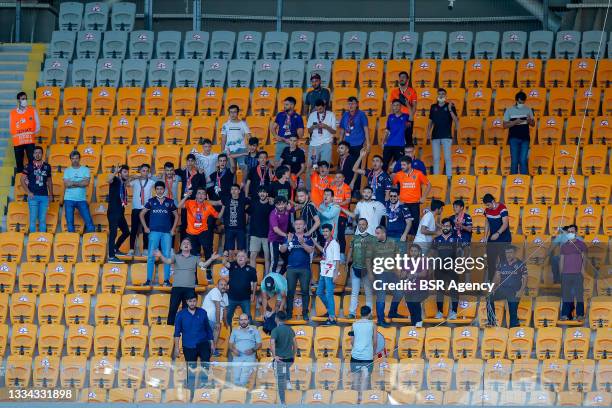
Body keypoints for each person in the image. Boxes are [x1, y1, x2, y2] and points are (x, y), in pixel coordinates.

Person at [157, 238, 219, 325]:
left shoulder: (195, 258)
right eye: (184, 243)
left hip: (189, 289)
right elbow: (167, 261)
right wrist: (160, 255)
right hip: (176, 288)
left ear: (190, 247)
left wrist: (211, 259)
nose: (186, 244)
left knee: (187, 311)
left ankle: (186, 329)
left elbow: (203, 266)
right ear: (181, 247)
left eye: (188, 243)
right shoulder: (176, 256)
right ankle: (169, 328)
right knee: (172, 309)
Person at [140, 181, 179, 286]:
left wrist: (173, 229)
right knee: (151, 256)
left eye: (161, 189)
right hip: (154, 232)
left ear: (164, 190)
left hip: (167, 233)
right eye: (157, 189)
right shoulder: (151, 201)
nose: (159, 191)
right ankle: (148, 280)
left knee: (166, 256)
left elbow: (177, 215)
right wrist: (145, 227)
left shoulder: (170, 202)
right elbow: (141, 214)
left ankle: (166, 280)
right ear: (155, 190)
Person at [173, 294, 214, 388]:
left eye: (194, 301)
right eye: (190, 301)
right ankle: (191, 390)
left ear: (197, 301)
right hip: (188, 346)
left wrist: (212, 343)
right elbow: (176, 333)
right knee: (191, 369)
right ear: (187, 302)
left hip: (203, 344)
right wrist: (176, 348)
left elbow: (208, 329)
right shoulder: (180, 314)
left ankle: (203, 388)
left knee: (205, 367)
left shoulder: (203, 312)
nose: (192, 303)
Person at [365, 225, 402, 327]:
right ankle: (380, 320)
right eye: (375, 233)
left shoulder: (392, 242)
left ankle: (392, 312)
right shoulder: (372, 244)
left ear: (384, 233)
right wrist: (370, 273)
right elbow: (368, 260)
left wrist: (398, 268)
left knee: (399, 293)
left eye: (378, 233)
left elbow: (398, 256)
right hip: (379, 273)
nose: (376, 235)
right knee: (381, 296)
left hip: (392, 272)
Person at [281, 219, 315, 321]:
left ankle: (305, 313)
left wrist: (303, 243)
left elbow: (310, 250)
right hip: (291, 268)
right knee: (290, 292)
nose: (298, 225)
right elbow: (282, 250)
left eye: (300, 224)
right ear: (294, 226)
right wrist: (287, 240)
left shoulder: (308, 237)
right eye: (296, 224)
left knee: (305, 291)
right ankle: (289, 313)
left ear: (304, 226)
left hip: (304, 269)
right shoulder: (290, 236)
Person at [488, 245, 526, 327]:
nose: (508, 255)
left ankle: (514, 328)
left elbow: (525, 279)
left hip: (514, 291)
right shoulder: (502, 264)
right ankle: (491, 322)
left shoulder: (521, 264)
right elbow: (496, 276)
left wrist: (520, 291)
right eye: (507, 253)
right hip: (503, 289)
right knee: (489, 297)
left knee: (512, 312)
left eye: (511, 252)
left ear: (515, 253)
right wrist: (492, 288)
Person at [393, 156, 431, 237]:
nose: (401, 167)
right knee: (403, 225)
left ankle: (414, 245)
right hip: (403, 204)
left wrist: (423, 197)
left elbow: (429, 185)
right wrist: (398, 195)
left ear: (409, 165)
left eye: (403, 165)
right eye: (401, 165)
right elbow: (394, 185)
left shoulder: (418, 173)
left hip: (414, 203)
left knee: (414, 225)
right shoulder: (399, 174)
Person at [346, 218, 377, 319]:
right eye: (359, 224)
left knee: (368, 292)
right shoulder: (354, 238)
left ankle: (370, 313)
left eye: (363, 224)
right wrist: (347, 263)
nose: (361, 226)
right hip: (355, 267)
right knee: (354, 292)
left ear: (367, 226)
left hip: (367, 269)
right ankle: (352, 313)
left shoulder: (373, 238)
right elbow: (350, 251)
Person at [180, 188, 220, 260]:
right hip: (191, 233)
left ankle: (208, 270)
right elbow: (179, 206)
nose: (201, 195)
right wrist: (186, 196)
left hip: (203, 232)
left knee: (208, 250)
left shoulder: (208, 206)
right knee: (193, 254)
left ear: (205, 197)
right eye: (199, 193)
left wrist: (223, 207)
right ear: (196, 195)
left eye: (203, 194)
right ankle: (194, 271)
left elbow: (218, 216)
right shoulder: (190, 202)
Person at [427, 88, 459, 177]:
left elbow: (456, 120)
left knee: (447, 158)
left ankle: (449, 177)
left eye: (443, 94)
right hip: (435, 135)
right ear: (437, 95)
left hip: (446, 136)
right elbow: (430, 121)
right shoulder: (433, 107)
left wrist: (450, 109)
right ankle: (436, 177)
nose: (441, 95)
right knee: (436, 158)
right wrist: (428, 132)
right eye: (439, 94)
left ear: (446, 96)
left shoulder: (450, 106)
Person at [432, 218, 460, 319]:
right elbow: (433, 254)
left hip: (452, 269)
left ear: (451, 227)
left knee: (454, 290)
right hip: (439, 269)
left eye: (447, 226)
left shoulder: (456, 239)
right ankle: (440, 312)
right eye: (444, 226)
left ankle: (454, 312)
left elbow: (465, 250)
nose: (445, 228)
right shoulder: (436, 239)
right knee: (440, 291)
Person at [21, 145, 52, 233]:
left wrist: (51, 194)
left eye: (39, 153)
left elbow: (49, 181)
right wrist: (28, 192)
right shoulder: (28, 166)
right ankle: (32, 240)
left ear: (42, 154)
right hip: (33, 197)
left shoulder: (47, 166)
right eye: (36, 153)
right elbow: (22, 180)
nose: (37, 154)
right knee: (33, 219)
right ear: (33, 154)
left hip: (44, 197)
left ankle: (42, 239)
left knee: (42, 220)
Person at [314, 224, 341, 325]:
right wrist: (315, 243)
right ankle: (330, 312)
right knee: (319, 292)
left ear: (331, 232)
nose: (324, 233)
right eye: (323, 231)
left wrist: (335, 274)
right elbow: (324, 251)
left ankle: (332, 317)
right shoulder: (327, 243)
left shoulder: (335, 244)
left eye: (326, 231)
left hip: (330, 273)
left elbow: (337, 260)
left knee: (329, 295)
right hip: (323, 271)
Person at [503, 91, 535, 175]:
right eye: (521, 100)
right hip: (514, 138)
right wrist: (515, 122)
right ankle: (513, 180)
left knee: (523, 160)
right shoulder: (509, 110)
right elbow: (505, 125)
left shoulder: (528, 109)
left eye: (524, 100)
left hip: (525, 138)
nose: (523, 102)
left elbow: (533, 124)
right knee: (514, 160)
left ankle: (524, 180)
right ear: (517, 100)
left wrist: (529, 121)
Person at [63, 150, 94, 233]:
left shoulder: (85, 170)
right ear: (70, 159)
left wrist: (72, 182)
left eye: (76, 158)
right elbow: (66, 184)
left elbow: (86, 183)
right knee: (70, 222)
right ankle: (72, 239)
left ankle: (91, 239)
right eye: (73, 158)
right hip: (69, 199)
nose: (75, 160)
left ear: (80, 159)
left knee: (89, 221)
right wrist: (80, 183)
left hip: (81, 199)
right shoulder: (67, 171)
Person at [559, 228, 587, 321]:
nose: (570, 233)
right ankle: (565, 314)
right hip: (566, 274)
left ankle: (580, 314)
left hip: (577, 274)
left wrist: (583, 273)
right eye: (569, 232)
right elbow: (562, 260)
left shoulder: (581, 245)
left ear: (576, 233)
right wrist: (561, 273)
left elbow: (584, 260)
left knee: (579, 295)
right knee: (566, 295)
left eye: (572, 232)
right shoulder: (564, 246)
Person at [224, 250, 258, 324]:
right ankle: (227, 333)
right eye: (238, 256)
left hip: (245, 299)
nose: (240, 258)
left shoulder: (251, 269)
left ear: (246, 259)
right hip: (231, 298)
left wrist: (254, 294)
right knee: (228, 316)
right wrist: (225, 256)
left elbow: (255, 282)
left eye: (242, 256)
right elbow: (224, 263)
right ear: (236, 258)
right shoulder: (232, 265)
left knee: (248, 316)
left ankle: (250, 333)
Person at [483, 193, 511, 281]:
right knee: (491, 261)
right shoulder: (487, 210)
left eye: (488, 204)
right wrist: (485, 236)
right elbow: (487, 223)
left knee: (504, 261)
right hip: (492, 240)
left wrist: (498, 233)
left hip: (504, 239)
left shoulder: (502, 208)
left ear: (493, 201)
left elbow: (505, 224)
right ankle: (491, 282)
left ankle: (504, 282)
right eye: (486, 205)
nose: (487, 207)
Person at [270, 311, 297, 405]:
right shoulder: (290, 329)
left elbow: (272, 343)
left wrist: (274, 356)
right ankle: (288, 380)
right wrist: (294, 355)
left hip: (280, 359)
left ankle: (283, 403)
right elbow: (295, 344)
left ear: (276, 318)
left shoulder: (275, 330)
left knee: (280, 382)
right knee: (285, 369)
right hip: (289, 359)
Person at [10, 91, 39, 174]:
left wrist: (29, 133)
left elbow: (37, 126)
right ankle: (19, 181)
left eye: (26, 99)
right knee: (19, 163)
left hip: (29, 141)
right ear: (18, 100)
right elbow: (11, 128)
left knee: (32, 161)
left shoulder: (32, 111)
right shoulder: (12, 113)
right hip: (18, 142)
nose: (25, 100)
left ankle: (32, 178)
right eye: (23, 99)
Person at [129, 164, 155, 256]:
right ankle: (131, 249)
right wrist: (133, 176)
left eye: (147, 171)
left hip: (146, 209)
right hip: (136, 208)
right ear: (140, 171)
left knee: (146, 229)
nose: (145, 172)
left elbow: (159, 182)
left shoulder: (151, 182)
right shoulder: (135, 182)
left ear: (149, 172)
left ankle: (145, 249)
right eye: (143, 170)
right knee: (134, 229)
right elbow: (126, 183)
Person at [229, 313, 262, 387]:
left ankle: (241, 395)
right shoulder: (234, 330)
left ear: (248, 320)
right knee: (236, 378)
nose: (243, 322)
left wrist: (253, 350)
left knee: (243, 379)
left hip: (249, 357)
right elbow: (230, 345)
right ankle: (238, 395)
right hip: (237, 357)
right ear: (239, 321)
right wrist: (234, 350)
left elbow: (259, 344)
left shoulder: (254, 330)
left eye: (245, 320)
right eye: (241, 320)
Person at [106, 165, 130, 263]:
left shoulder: (123, 183)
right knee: (113, 233)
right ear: (120, 173)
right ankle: (111, 256)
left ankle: (116, 248)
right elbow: (108, 180)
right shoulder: (115, 180)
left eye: (127, 172)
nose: (127, 173)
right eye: (124, 172)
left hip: (120, 212)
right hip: (113, 211)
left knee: (126, 232)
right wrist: (115, 172)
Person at [349, 305, 377, 391]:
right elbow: (375, 341)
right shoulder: (373, 324)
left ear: (360, 313)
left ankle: (355, 400)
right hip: (367, 356)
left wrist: (357, 349)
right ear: (369, 314)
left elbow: (352, 341)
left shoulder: (354, 324)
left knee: (356, 378)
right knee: (365, 378)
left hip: (355, 356)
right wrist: (373, 353)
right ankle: (362, 401)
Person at [248, 187, 274, 272]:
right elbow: (247, 214)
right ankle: (253, 276)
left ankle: (266, 276)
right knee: (252, 256)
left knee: (267, 257)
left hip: (267, 235)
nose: (262, 194)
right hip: (255, 234)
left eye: (264, 192)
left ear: (267, 194)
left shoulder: (271, 206)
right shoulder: (254, 204)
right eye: (260, 192)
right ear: (258, 194)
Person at [402, 244, 429, 327]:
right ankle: (414, 324)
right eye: (411, 251)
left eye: (415, 251)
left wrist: (414, 274)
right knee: (410, 306)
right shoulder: (406, 261)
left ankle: (419, 322)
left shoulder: (424, 260)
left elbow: (424, 273)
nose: (413, 253)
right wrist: (404, 274)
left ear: (419, 252)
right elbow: (403, 275)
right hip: (409, 289)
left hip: (421, 289)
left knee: (414, 302)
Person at [271, 96, 304, 164]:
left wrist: (293, 139)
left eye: (286, 104)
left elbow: (300, 134)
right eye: (284, 104)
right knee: (277, 163)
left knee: (291, 164)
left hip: (291, 144)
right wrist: (276, 136)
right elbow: (273, 128)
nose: (284, 106)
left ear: (292, 105)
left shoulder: (298, 117)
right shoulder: (280, 115)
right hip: (281, 143)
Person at [389, 71, 417, 145]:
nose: (401, 79)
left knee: (408, 140)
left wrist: (410, 119)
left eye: (404, 77)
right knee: (397, 139)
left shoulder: (412, 91)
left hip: (407, 119)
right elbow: (391, 107)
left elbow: (414, 107)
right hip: (397, 119)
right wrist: (392, 119)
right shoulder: (394, 92)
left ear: (407, 80)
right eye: (400, 77)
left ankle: (409, 156)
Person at [219, 184, 249, 254]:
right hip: (229, 228)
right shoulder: (226, 199)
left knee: (242, 250)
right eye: (232, 189)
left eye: (235, 189)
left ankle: (241, 264)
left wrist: (245, 210)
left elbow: (250, 204)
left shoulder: (243, 199)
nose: (234, 191)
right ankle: (230, 264)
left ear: (239, 191)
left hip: (240, 228)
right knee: (229, 251)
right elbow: (222, 208)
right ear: (230, 191)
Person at [382, 99, 410, 171]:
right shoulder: (390, 117)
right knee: (384, 164)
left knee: (400, 165)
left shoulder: (406, 116)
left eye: (397, 105)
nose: (396, 107)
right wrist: (384, 141)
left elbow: (410, 125)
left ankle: (398, 181)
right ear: (392, 107)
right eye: (394, 105)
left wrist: (408, 105)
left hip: (400, 145)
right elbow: (387, 130)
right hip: (389, 144)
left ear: (400, 106)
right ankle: (383, 181)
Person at [221, 105, 251, 172]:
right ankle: (233, 183)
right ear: (229, 113)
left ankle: (243, 182)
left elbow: (249, 137)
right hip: (229, 150)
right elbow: (223, 139)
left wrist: (249, 149)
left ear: (238, 113)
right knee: (231, 171)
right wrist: (222, 151)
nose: (233, 114)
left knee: (244, 168)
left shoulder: (243, 124)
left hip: (241, 149)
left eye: (234, 112)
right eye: (231, 112)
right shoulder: (225, 125)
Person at [307, 98, 336, 165]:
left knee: (324, 166)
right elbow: (309, 130)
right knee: (311, 165)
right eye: (317, 109)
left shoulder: (331, 115)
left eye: (320, 109)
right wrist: (314, 126)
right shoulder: (312, 115)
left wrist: (326, 126)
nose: (318, 111)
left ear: (324, 106)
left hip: (326, 143)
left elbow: (334, 131)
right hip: (314, 143)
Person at [268, 196, 293, 274]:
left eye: (283, 204)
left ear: (286, 204)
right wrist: (286, 235)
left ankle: (279, 276)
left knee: (288, 260)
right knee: (274, 261)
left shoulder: (287, 210)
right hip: (274, 240)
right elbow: (276, 229)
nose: (281, 206)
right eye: (278, 204)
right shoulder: (273, 213)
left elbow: (297, 207)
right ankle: (271, 279)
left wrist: (291, 206)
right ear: (275, 205)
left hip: (283, 240)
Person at [202, 279, 229, 350]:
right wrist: (217, 322)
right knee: (208, 338)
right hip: (207, 319)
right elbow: (218, 306)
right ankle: (207, 351)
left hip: (216, 320)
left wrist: (225, 322)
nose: (223, 286)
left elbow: (225, 309)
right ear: (217, 286)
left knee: (215, 336)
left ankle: (213, 350)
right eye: (221, 285)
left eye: (225, 285)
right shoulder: (215, 291)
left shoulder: (225, 295)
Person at [330, 172, 352, 254]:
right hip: (332, 215)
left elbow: (348, 201)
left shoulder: (346, 188)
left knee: (340, 235)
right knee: (331, 235)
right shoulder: (332, 188)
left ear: (343, 179)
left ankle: (342, 254)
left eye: (340, 177)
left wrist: (337, 204)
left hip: (342, 215)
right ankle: (331, 253)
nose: (338, 179)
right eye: (336, 177)